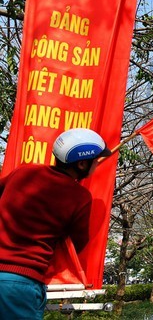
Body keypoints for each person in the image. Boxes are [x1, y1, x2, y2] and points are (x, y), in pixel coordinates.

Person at [0, 128, 111, 319]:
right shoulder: (80, 196)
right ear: (82, 163)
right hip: (20, 283)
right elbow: (79, 243)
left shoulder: (24, 171)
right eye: (95, 161)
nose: (97, 165)